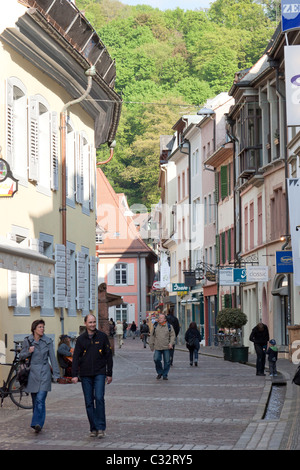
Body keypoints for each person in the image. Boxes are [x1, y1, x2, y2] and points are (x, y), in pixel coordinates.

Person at [71, 314, 113, 438]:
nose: (92, 324)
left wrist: (109, 373)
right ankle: (93, 428)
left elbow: (108, 356)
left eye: (94, 322)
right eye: (90, 322)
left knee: (99, 398)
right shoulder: (81, 339)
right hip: (85, 374)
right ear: (85, 323)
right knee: (89, 402)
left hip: (100, 372)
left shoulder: (102, 337)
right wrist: (74, 374)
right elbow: (75, 358)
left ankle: (100, 427)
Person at [19, 319, 60, 433]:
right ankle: (38, 423)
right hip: (32, 373)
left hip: (44, 372)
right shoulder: (27, 340)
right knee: (35, 400)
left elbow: (52, 358)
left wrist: (56, 374)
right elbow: (21, 356)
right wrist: (28, 351)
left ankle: (37, 423)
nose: (42, 329)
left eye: (43, 327)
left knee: (40, 399)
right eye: (40, 327)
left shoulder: (48, 341)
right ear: (34, 329)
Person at [149, 313, 175, 380]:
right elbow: (152, 336)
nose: (159, 319)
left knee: (167, 361)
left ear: (165, 319)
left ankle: (165, 374)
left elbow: (172, 335)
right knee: (156, 359)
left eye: (161, 318)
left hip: (166, 347)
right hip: (157, 346)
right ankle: (160, 372)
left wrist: (171, 343)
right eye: (159, 318)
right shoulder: (155, 326)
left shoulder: (169, 326)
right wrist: (151, 345)